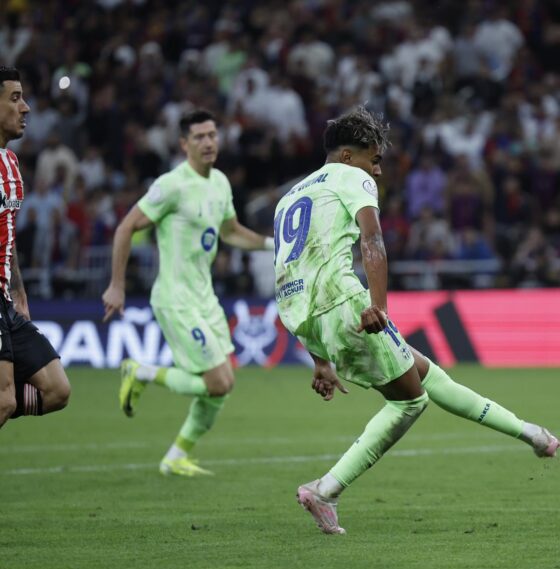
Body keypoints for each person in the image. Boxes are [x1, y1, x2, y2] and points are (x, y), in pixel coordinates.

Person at [273, 106, 559, 535]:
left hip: (305, 315)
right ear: (349, 156)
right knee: (409, 400)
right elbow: (372, 239)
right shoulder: (352, 177)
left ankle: (533, 435)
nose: (379, 170)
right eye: (374, 158)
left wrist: (318, 357)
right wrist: (379, 307)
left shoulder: (288, 198)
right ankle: (326, 489)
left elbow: (290, 276)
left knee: (429, 377)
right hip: (345, 303)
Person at [102, 109, 274, 477]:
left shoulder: (221, 183)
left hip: (205, 298)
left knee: (222, 387)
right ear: (184, 144)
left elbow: (231, 232)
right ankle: (141, 371)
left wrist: (275, 245)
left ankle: (175, 457)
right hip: (175, 298)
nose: (209, 141)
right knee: (218, 381)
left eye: (212, 134)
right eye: (199, 136)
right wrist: (117, 284)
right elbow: (125, 227)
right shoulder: (171, 185)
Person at [0, 66, 71, 428]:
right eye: (14, 98)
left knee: (57, 389)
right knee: (3, 399)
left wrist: (19, 295)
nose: (25, 107)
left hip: (6, 303)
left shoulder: (11, 165)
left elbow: (8, 240)